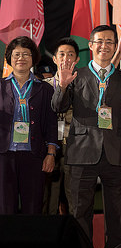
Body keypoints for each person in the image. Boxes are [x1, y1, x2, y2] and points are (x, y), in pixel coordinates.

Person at [52, 25, 121, 248]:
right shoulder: (74, 75)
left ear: (115, 47)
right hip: (81, 151)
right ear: (90, 46)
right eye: (99, 42)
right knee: (80, 211)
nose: (104, 46)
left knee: (116, 211)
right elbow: (57, 107)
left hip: (117, 152)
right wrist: (63, 86)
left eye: (109, 42)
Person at [0, 36, 57, 214]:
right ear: (9, 58)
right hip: (4, 156)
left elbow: (51, 123)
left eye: (26, 54)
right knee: (5, 208)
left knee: (33, 208)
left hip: (34, 155)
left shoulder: (45, 89)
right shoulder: (1, 86)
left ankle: (31, 243)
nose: (21, 58)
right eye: (16, 54)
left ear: (33, 58)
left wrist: (51, 153)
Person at [42, 38, 80, 216]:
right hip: (50, 147)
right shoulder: (44, 87)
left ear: (77, 60)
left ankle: (75, 240)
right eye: (62, 54)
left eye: (70, 55)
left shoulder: (84, 83)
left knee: (75, 200)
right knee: (49, 197)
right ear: (55, 59)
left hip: (76, 146)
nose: (66, 58)